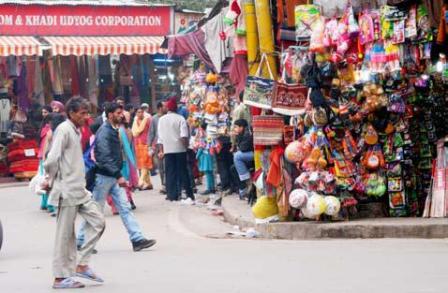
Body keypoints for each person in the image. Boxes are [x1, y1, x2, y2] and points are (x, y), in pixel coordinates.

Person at [43, 97, 105, 289]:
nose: (86, 116)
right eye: (82, 113)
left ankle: (82, 264)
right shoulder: (64, 130)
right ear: (71, 113)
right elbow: (52, 159)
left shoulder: (75, 130)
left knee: (99, 222)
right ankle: (60, 278)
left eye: (87, 113)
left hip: (79, 189)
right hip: (67, 190)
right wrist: (49, 178)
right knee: (65, 236)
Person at [79, 102, 156, 252]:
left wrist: (117, 175)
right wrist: (118, 175)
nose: (121, 115)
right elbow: (104, 157)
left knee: (125, 208)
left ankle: (137, 239)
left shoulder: (112, 130)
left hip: (112, 177)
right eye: (118, 113)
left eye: (122, 112)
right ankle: (82, 240)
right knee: (95, 211)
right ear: (109, 115)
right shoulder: (105, 132)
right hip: (103, 177)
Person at [157, 96, 195, 202]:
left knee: (170, 173)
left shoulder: (161, 120)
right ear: (176, 108)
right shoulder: (180, 119)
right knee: (183, 172)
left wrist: (161, 150)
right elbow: (184, 136)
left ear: (168, 108)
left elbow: (160, 138)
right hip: (180, 150)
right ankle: (189, 194)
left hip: (168, 150)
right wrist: (186, 146)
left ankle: (172, 195)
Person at [233, 119, 254, 200]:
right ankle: (243, 190)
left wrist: (237, 136)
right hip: (248, 154)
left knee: (237, 156)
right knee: (233, 169)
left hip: (253, 154)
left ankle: (248, 181)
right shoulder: (243, 133)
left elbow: (242, 148)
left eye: (236, 127)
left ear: (241, 127)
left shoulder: (247, 134)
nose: (235, 129)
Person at [132, 106, 153, 190]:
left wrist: (151, 144)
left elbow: (151, 132)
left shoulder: (148, 120)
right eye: (138, 112)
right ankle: (148, 183)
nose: (140, 114)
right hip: (137, 144)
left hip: (146, 144)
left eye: (141, 112)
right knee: (142, 164)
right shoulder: (135, 121)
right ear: (136, 113)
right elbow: (134, 133)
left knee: (145, 163)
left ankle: (140, 181)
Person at [148, 101, 166, 193]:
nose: (166, 107)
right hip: (158, 145)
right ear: (160, 108)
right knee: (161, 166)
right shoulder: (154, 119)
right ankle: (164, 185)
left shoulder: (167, 117)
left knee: (167, 165)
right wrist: (149, 146)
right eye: (164, 106)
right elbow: (151, 132)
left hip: (167, 143)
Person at [37, 105, 52, 212]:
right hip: (44, 155)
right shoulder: (46, 127)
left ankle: (45, 203)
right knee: (46, 179)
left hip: (45, 155)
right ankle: (47, 203)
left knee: (46, 179)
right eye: (43, 112)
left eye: (46, 112)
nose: (44, 115)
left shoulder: (49, 127)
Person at [194, 122, 215, 195]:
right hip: (209, 155)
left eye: (199, 128)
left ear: (202, 128)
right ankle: (212, 188)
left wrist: (196, 156)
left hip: (205, 155)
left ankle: (209, 188)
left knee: (207, 172)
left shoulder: (204, 136)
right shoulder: (209, 135)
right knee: (210, 173)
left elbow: (201, 147)